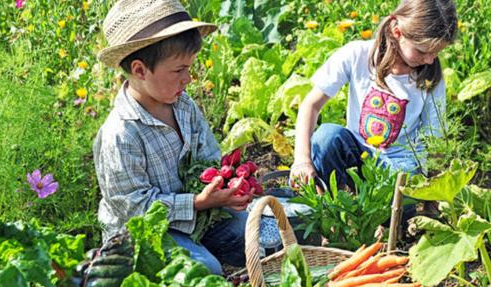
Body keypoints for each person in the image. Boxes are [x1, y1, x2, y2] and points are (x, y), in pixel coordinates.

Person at [93, 0, 252, 275]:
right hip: (145, 235)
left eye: (189, 68)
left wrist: (225, 185)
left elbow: (208, 156)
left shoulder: (183, 105)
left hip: (199, 215)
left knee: (258, 234)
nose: (188, 78)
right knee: (203, 272)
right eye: (179, 70)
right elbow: (135, 209)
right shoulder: (120, 134)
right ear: (140, 70)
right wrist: (197, 202)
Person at [290, 0, 458, 188]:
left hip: (400, 164)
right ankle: (332, 205)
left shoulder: (430, 78)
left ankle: (383, 212)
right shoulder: (357, 54)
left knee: (404, 178)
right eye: (422, 51)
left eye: (436, 53)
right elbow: (311, 105)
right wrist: (301, 160)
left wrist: (434, 195)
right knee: (327, 136)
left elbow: (435, 139)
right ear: (397, 32)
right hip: (357, 152)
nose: (429, 60)